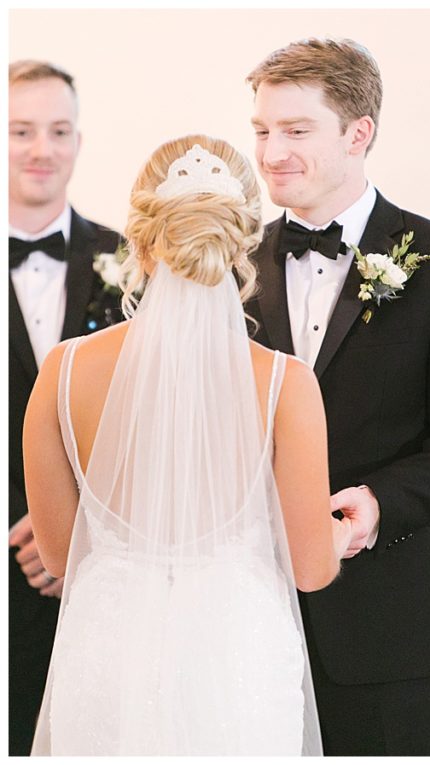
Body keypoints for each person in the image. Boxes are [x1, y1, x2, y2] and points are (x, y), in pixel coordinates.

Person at [24, 135, 353, 754]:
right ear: (246, 238)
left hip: (108, 652)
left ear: (141, 236)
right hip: (236, 653)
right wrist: (344, 530)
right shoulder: (285, 383)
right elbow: (311, 570)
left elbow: (64, 556)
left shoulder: (63, 372)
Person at [246, 38, 430, 755]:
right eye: (263, 130)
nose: (272, 153)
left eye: (296, 131)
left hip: (391, 620)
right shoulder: (229, 266)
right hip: (246, 614)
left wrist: (379, 502)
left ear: (359, 133)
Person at [7, 59, 123, 756]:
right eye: (20, 130)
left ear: (80, 141)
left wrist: (73, 531)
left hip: (97, 570)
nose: (41, 149)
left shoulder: (130, 259)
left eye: (58, 130)